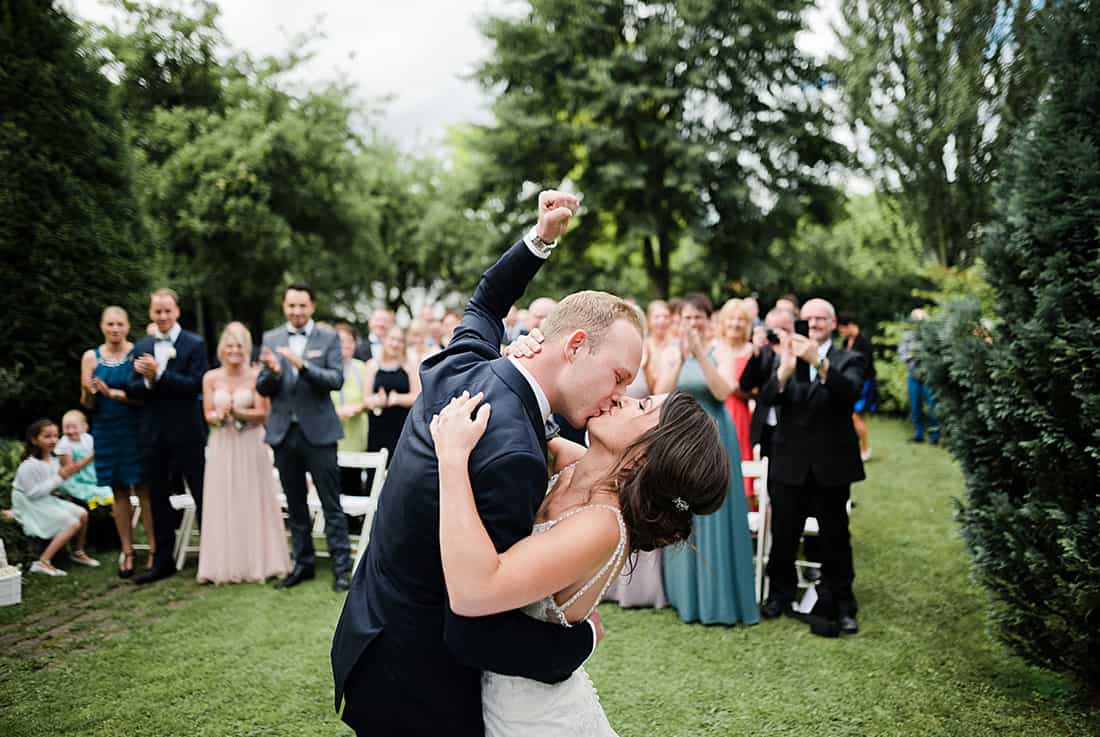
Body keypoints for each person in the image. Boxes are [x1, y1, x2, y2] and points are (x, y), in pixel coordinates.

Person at [333, 190, 645, 737]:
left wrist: (540, 239)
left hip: (368, 628)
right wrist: (583, 638)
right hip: (416, 682)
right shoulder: (514, 457)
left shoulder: (467, 365)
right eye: (619, 376)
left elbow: (484, 304)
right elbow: (475, 626)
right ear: (574, 346)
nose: (619, 393)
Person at [431, 390, 728, 736]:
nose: (622, 398)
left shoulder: (603, 525)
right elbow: (533, 416)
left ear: (647, 456)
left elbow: (476, 589)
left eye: (643, 406)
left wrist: (451, 459)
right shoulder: (575, 463)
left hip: (530, 717)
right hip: (487, 686)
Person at [757, 298, 865, 636]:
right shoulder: (784, 356)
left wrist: (817, 361)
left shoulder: (849, 358)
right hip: (789, 462)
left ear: (833, 323)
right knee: (785, 535)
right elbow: (766, 402)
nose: (815, 324)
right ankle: (780, 594)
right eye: (809, 318)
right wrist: (784, 371)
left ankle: (843, 603)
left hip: (831, 465)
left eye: (821, 318)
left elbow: (849, 393)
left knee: (836, 538)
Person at [653, 295, 758, 625]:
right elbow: (661, 392)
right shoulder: (671, 352)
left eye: (699, 317)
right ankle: (685, 596)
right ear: (679, 321)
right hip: (681, 438)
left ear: (708, 320)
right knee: (682, 512)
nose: (693, 323)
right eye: (687, 317)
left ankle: (719, 598)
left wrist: (701, 355)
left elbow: (723, 392)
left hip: (715, 435)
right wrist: (683, 359)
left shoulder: (721, 350)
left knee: (714, 513)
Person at [257, 284, 351, 592]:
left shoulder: (328, 337)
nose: (296, 311)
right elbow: (263, 388)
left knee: (330, 503)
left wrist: (304, 366)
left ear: (311, 307)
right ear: (284, 306)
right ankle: (303, 564)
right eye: (291, 306)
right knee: (295, 505)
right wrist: (271, 372)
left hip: (320, 434)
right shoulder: (271, 338)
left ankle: (341, 569)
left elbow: (335, 380)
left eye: (302, 306)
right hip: (284, 433)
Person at [197, 323, 290, 584]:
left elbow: (263, 414)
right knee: (224, 500)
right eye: (229, 345)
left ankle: (259, 561)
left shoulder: (256, 375)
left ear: (247, 348)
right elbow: (207, 415)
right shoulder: (210, 378)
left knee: (253, 498)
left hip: (251, 443)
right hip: (222, 444)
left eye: (239, 345)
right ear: (221, 349)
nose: (234, 350)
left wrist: (239, 413)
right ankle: (225, 563)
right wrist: (219, 416)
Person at [126, 288, 207, 585]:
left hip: (187, 432)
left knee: (201, 494)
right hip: (152, 434)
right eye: (157, 311)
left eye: (167, 311)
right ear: (151, 313)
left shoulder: (194, 343)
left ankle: (209, 559)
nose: (162, 316)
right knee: (158, 498)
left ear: (177, 312)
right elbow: (130, 387)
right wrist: (146, 381)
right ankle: (163, 561)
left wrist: (159, 375)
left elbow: (196, 384)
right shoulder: (143, 345)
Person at [80, 306, 151, 578]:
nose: (115, 329)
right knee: (119, 491)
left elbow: (143, 398)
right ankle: (128, 551)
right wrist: (90, 391)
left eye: (120, 324)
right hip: (106, 429)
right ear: (102, 326)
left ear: (127, 325)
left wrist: (113, 393)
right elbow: (86, 403)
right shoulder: (91, 357)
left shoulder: (137, 353)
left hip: (134, 426)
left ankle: (155, 550)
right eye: (110, 324)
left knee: (143, 489)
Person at [12, 419, 101, 576]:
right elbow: (33, 493)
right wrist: (59, 478)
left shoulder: (53, 459)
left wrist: (64, 476)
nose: (53, 440)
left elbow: (53, 483)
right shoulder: (29, 465)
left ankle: (77, 552)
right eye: (47, 436)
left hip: (44, 499)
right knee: (72, 523)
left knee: (83, 514)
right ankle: (42, 562)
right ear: (34, 440)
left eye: (55, 436)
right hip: (30, 502)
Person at [718, 299, 757, 501]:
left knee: (740, 464)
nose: (735, 323)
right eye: (731, 318)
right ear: (723, 322)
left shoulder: (752, 352)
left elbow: (758, 390)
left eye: (740, 319)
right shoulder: (713, 349)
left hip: (741, 415)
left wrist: (738, 389)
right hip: (715, 412)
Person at [365, 325, 422, 460]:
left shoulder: (410, 366)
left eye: (400, 341)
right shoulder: (372, 365)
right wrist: (377, 401)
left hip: (402, 425)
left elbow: (418, 396)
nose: (395, 344)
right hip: (378, 424)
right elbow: (366, 398)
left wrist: (398, 399)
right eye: (392, 339)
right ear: (384, 340)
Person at [332, 323, 371, 496]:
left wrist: (360, 407)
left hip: (355, 436)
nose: (346, 345)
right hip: (330, 436)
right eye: (341, 341)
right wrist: (337, 412)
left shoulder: (361, 368)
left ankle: (354, 524)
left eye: (350, 341)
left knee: (353, 485)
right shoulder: (325, 367)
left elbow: (367, 398)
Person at [838, 315, 878, 461]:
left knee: (856, 415)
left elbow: (865, 366)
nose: (841, 332)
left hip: (864, 383)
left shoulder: (864, 342)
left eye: (842, 329)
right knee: (852, 416)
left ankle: (865, 448)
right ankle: (857, 447)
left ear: (850, 325)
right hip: (849, 382)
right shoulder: (846, 342)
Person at [54, 410, 113, 506]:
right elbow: (69, 470)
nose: (70, 431)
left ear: (84, 427)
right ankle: (94, 510)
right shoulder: (64, 444)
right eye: (66, 427)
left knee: (111, 490)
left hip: (91, 476)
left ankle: (102, 510)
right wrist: (91, 456)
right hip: (75, 480)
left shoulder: (88, 438)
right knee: (97, 496)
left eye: (74, 427)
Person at [898, 309, 940, 444]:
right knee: (915, 407)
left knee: (932, 406)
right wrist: (911, 356)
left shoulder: (932, 336)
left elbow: (937, 354)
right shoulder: (907, 336)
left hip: (928, 377)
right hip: (913, 376)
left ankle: (934, 436)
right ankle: (919, 434)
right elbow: (902, 353)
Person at [643, 300, 673, 389]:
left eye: (666, 316)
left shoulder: (677, 346)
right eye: (657, 317)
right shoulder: (643, 345)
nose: (662, 321)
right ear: (649, 320)